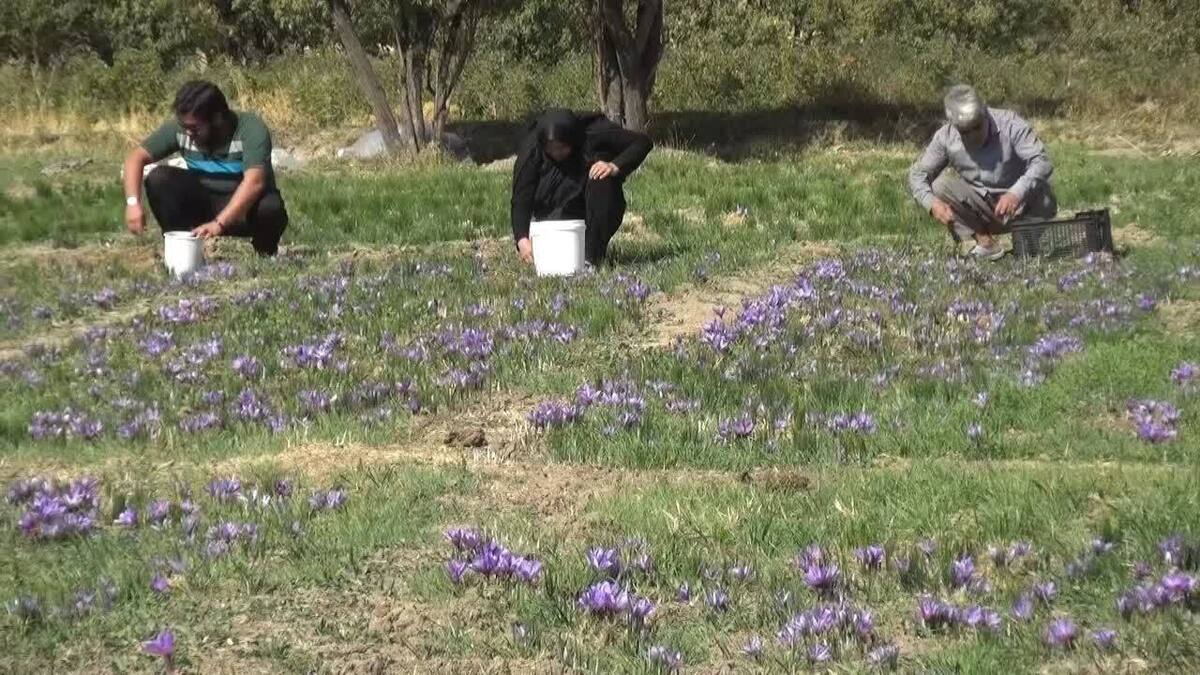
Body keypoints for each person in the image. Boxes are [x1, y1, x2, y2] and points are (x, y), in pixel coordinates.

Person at [123, 80, 288, 256]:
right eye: (185, 127)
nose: (188, 133)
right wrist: (133, 204)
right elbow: (135, 159)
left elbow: (255, 182)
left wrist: (220, 223)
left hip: (243, 211)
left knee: (269, 206)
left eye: (194, 128)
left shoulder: (250, 129)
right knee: (159, 178)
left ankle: (265, 253)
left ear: (217, 119)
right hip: (203, 203)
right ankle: (182, 250)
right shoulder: (181, 129)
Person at [908, 84, 1056, 261]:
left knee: (1042, 200)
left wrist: (1016, 193)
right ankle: (984, 243)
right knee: (940, 186)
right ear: (954, 126)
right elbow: (918, 174)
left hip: (1021, 206)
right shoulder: (945, 138)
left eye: (977, 127)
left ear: (985, 113)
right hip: (982, 208)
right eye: (965, 132)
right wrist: (931, 204)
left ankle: (1027, 240)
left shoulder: (1010, 124)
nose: (972, 136)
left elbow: (1042, 161)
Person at [511, 109, 653, 266]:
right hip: (553, 217)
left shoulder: (593, 133)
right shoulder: (532, 151)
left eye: (562, 147)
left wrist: (614, 166)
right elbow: (521, 199)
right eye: (551, 148)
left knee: (602, 178)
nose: (557, 152)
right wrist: (522, 240)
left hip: (592, 210)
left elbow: (642, 142)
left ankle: (592, 257)